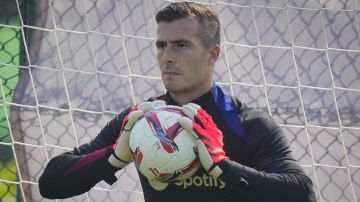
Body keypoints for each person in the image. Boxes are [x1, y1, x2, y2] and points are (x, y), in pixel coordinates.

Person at [39, 2, 316, 202]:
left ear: (212, 54)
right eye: (161, 45)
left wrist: (222, 166)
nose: (167, 56)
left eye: (181, 45)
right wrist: (114, 156)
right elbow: (50, 184)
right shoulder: (138, 120)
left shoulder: (247, 123)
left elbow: (302, 193)